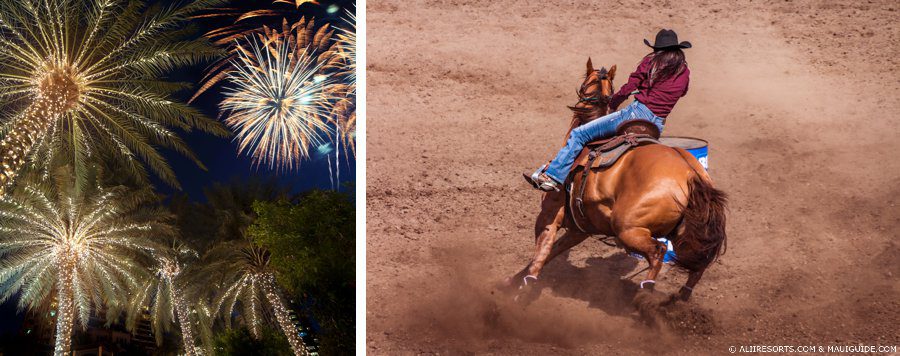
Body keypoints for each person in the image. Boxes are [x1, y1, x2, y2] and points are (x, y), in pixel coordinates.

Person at [526, 29, 692, 192]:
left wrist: (614, 102)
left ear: (657, 49)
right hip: (657, 124)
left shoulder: (651, 63)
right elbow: (683, 92)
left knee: (580, 134)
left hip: (637, 114)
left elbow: (629, 87)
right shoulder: (684, 71)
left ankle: (552, 177)